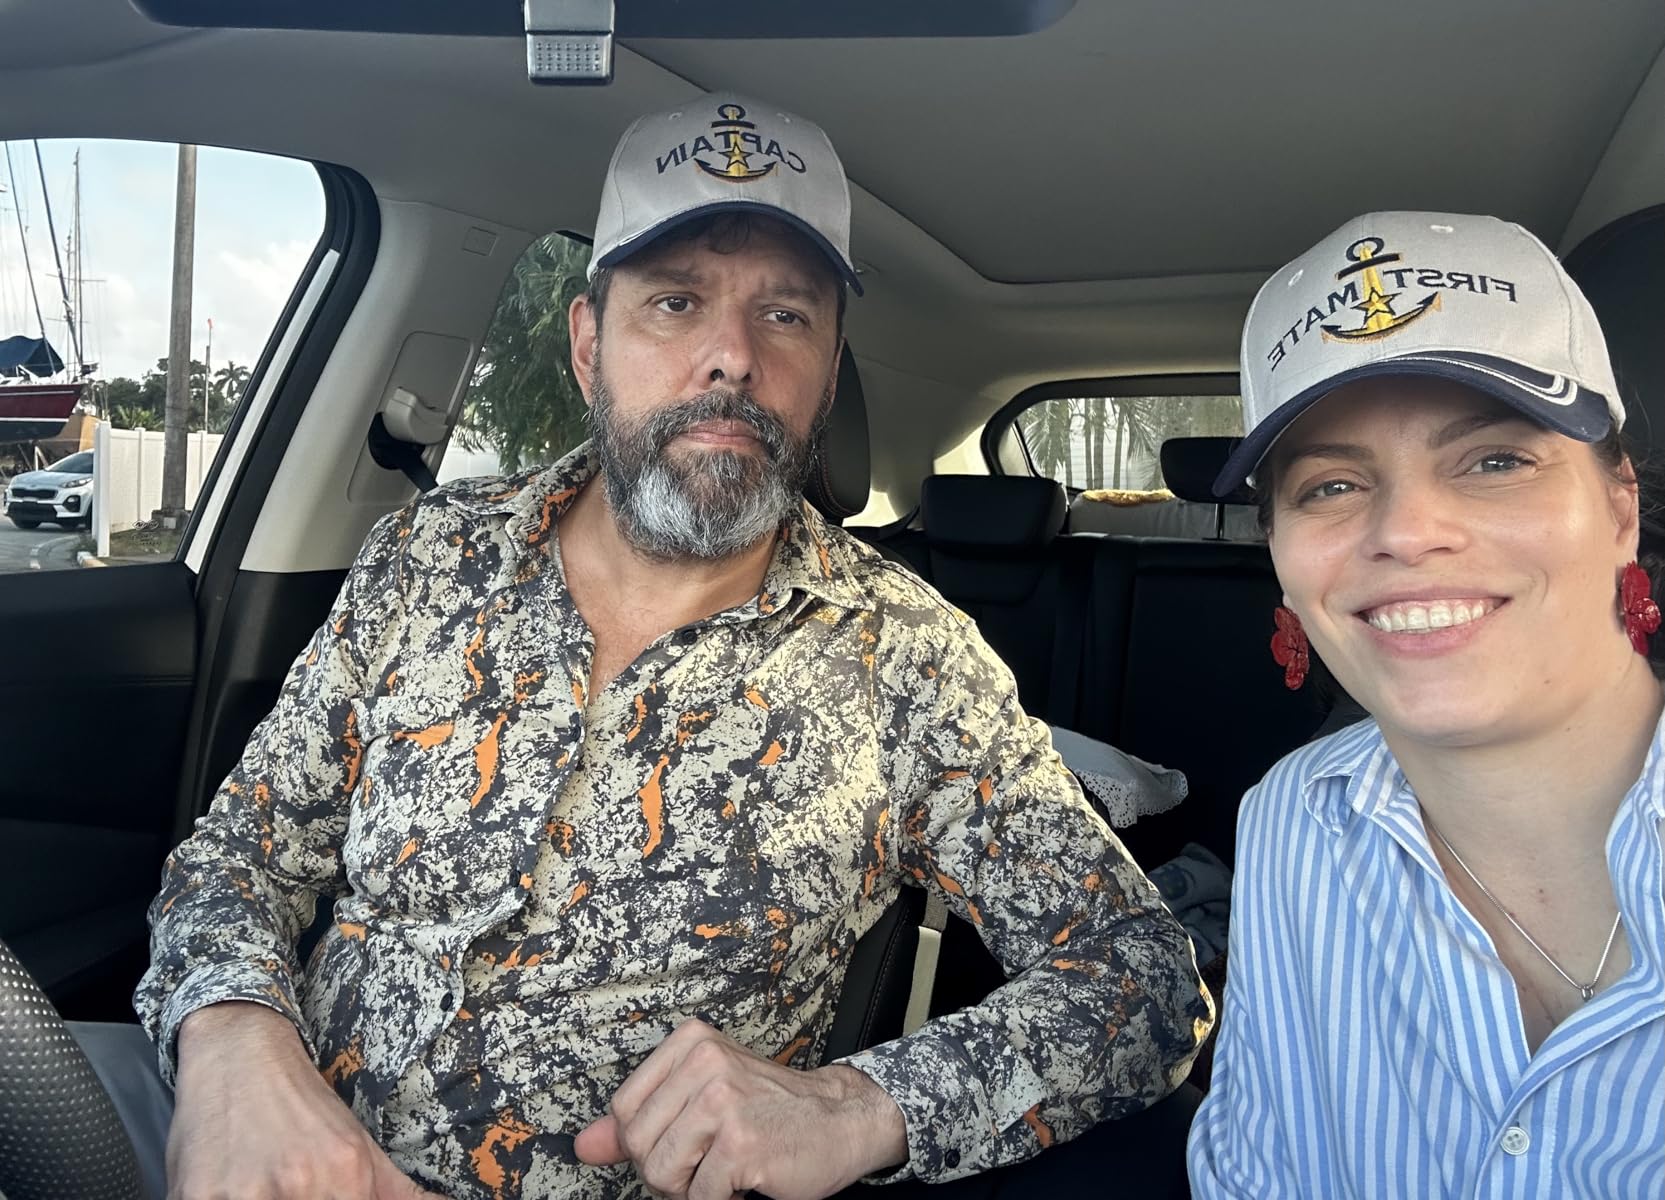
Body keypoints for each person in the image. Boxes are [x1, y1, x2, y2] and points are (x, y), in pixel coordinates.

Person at [114, 95, 1211, 1200]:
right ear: (591, 343)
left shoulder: (910, 659)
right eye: (676, 302)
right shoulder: (426, 554)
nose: (729, 357)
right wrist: (233, 1046)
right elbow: (239, 858)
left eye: (786, 317)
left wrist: (857, 1105)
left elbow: (1146, 977)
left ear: (829, 372)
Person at [1187, 211, 1664, 1197]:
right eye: (1330, 485)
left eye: (1495, 460)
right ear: (1277, 554)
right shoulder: (1290, 816)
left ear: (1619, 505)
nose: (1407, 532)